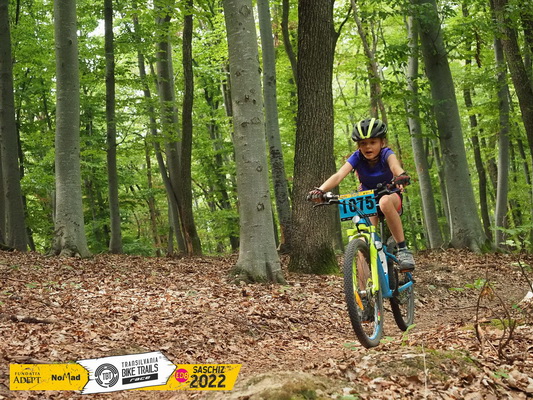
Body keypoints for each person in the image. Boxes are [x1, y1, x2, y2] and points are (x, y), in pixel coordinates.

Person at [308, 117, 415, 271]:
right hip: (368, 198)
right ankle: (363, 283)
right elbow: (339, 175)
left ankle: (403, 249)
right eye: (363, 143)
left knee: (384, 202)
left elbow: (394, 166)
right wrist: (321, 190)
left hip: (390, 194)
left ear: (382, 142)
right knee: (363, 237)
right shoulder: (357, 157)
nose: (367, 146)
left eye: (373, 142)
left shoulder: (387, 153)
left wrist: (401, 175)